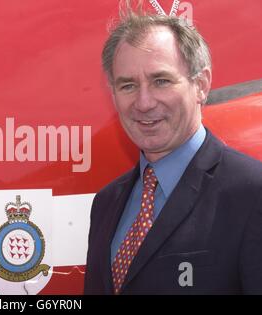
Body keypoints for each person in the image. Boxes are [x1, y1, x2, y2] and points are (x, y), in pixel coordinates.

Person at [84, 9, 262, 294]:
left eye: (161, 81)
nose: (143, 102)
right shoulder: (106, 204)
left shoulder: (252, 193)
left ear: (201, 85)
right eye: (128, 85)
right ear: (114, 95)